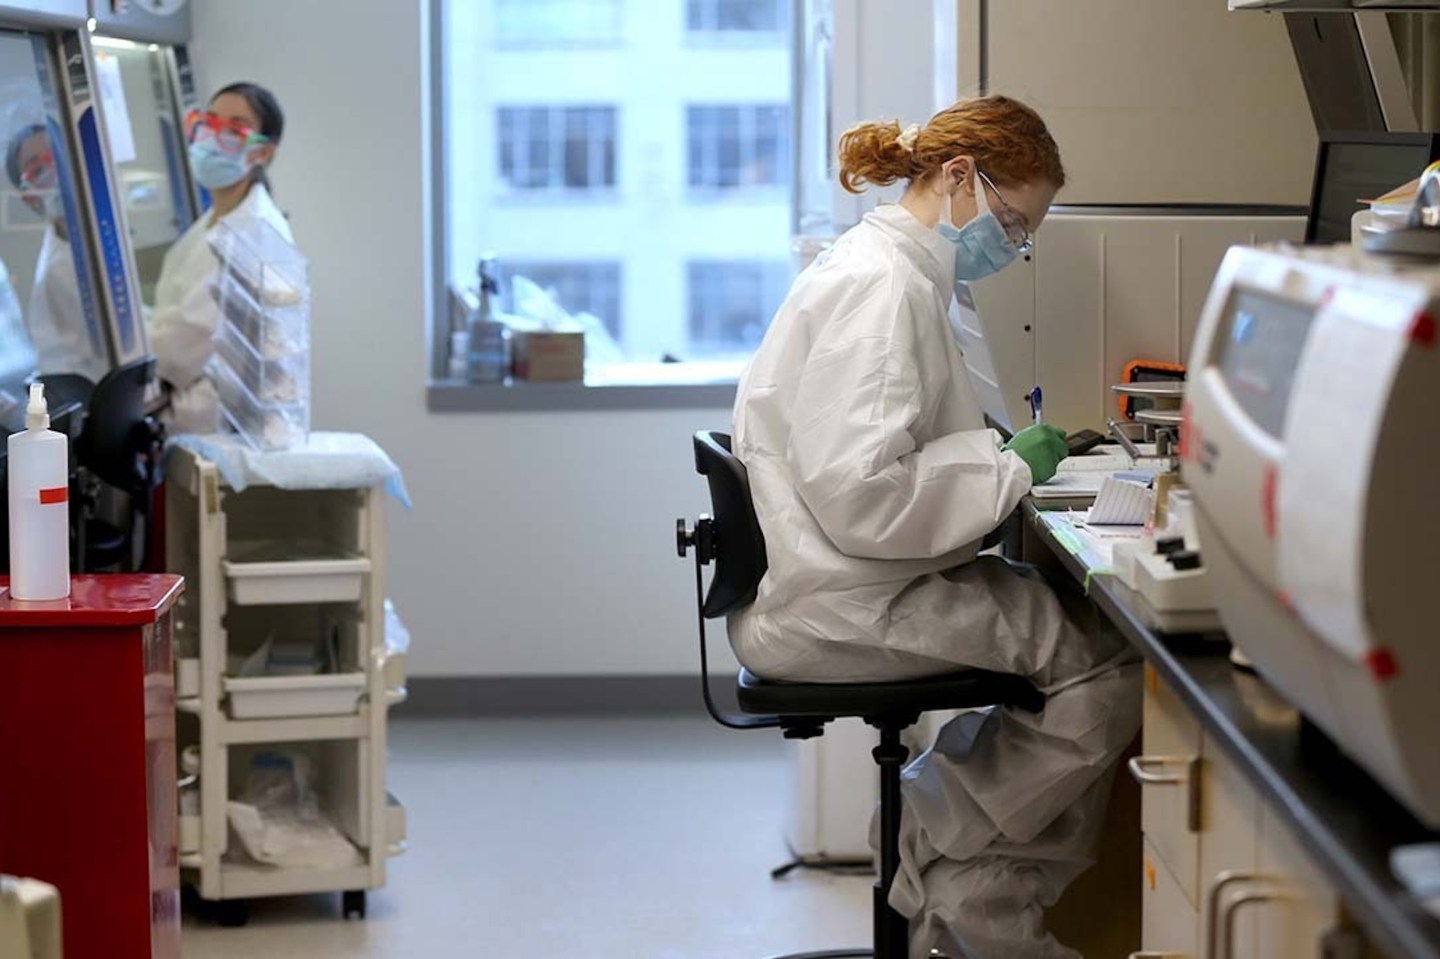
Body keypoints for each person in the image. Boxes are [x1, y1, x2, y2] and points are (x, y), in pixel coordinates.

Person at [728, 95, 1141, 958]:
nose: (1015, 245)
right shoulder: (883, 289)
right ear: (959, 176)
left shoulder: (892, 269)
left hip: (847, 580)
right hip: (844, 599)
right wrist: (1008, 465)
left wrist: (985, 453)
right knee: (1104, 666)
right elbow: (864, 495)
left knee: (1080, 640)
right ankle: (958, 874)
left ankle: (951, 859)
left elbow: (872, 448)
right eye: (1014, 219)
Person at [150, 82, 291, 434]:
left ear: (263, 153)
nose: (213, 137)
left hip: (217, 426)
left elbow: (179, 352)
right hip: (196, 419)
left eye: (233, 129)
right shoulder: (215, 221)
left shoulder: (252, 232)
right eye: (208, 123)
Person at [4, 123, 103, 384]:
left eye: (57, 157)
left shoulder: (86, 240)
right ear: (30, 198)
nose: (55, 173)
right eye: (38, 170)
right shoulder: (58, 269)